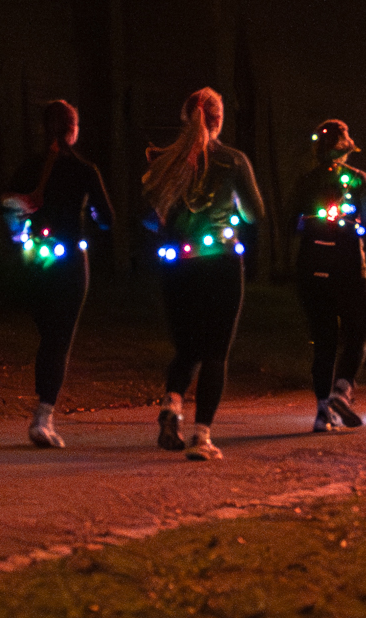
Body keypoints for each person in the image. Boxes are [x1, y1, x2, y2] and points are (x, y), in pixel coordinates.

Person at [144, 87, 265, 461]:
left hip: (178, 265)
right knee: (215, 352)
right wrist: (234, 208)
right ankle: (202, 437)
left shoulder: (166, 161)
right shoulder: (233, 161)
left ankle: (172, 403)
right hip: (220, 262)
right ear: (218, 119)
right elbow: (255, 213)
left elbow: (148, 215)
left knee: (186, 349)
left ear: (186, 118)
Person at [1, 99, 113, 449]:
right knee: (59, 339)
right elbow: (107, 218)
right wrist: (92, 214)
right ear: (73, 130)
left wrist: (18, 224)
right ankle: (43, 416)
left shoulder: (30, 167)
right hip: (70, 261)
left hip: (34, 259)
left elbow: (6, 202)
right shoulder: (84, 169)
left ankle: (42, 409)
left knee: (47, 334)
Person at [292, 119, 366, 433]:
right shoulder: (359, 179)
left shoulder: (306, 181)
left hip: (312, 267)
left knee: (324, 341)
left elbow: (291, 223)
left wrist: (311, 222)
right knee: (357, 333)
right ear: (346, 147)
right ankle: (342, 390)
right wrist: (355, 226)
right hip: (349, 267)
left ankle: (322, 412)